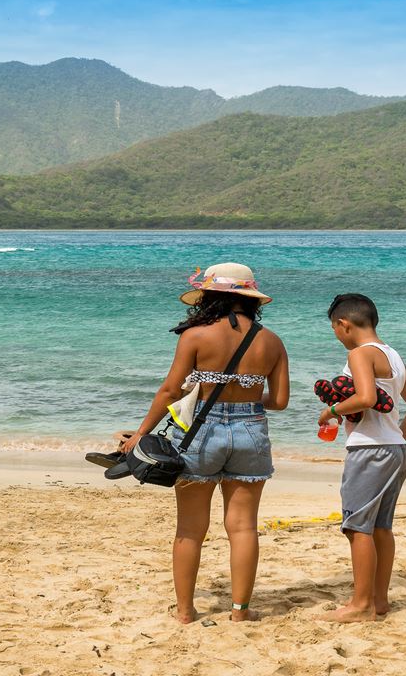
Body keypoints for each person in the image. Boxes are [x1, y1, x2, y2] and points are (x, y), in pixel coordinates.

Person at [120, 263, 290, 624]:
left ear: (210, 296)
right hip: (251, 432)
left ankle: (185, 612)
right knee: (243, 527)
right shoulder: (272, 341)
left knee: (190, 529)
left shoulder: (196, 336)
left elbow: (169, 390)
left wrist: (140, 433)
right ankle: (240, 612)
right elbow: (279, 401)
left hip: (201, 432)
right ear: (249, 299)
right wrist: (243, 400)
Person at [316, 293, 406, 622]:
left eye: (335, 329)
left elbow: (364, 398)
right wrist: (394, 438)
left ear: (344, 324)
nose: (336, 335)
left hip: (368, 450)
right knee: (381, 527)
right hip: (394, 450)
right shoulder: (392, 356)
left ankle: (360, 605)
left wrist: (331, 410)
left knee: (356, 527)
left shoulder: (360, 354)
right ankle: (379, 601)